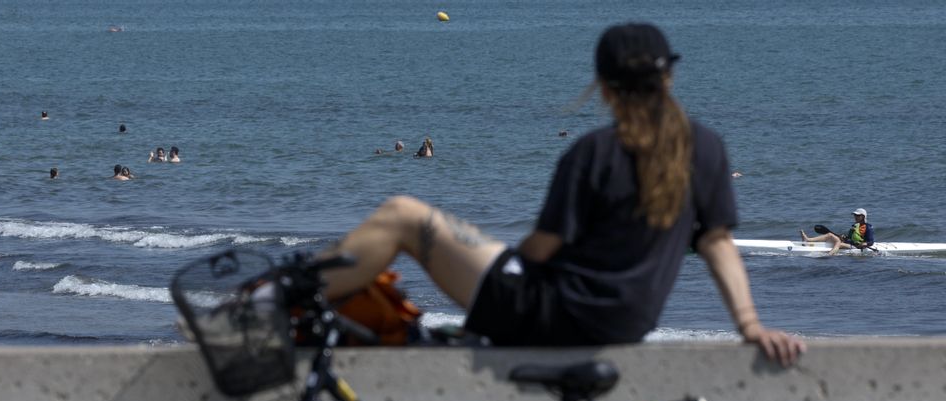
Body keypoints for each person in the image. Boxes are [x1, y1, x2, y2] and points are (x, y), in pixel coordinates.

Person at [319, 22, 803, 366]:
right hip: (628, 321)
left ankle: (273, 306)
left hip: (554, 314)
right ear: (668, 79)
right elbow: (716, 243)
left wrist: (493, 265)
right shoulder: (706, 147)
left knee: (404, 214)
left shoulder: (595, 152)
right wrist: (750, 326)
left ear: (605, 89)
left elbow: (541, 250)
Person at [800, 208, 874, 255]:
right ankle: (808, 240)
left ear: (863, 216)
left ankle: (829, 255)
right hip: (850, 243)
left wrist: (865, 243)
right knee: (829, 235)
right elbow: (850, 237)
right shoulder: (855, 226)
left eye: (857, 215)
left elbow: (871, 241)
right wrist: (844, 237)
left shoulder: (868, 227)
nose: (855, 217)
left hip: (856, 247)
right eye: (855, 215)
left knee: (838, 243)